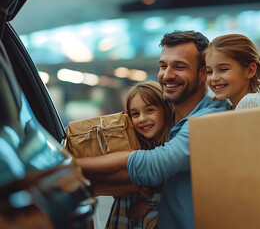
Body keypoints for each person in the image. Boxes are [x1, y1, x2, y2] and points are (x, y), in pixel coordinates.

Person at [74, 30, 231, 228]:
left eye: (179, 66)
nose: (167, 75)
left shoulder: (211, 118)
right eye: (163, 66)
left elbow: (152, 166)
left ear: (203, 73)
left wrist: (69, 165)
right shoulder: (166, 121)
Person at [105, 81, 173, 229]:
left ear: (166, 109)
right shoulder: (137, 148)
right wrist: (132, 210)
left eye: (149, 110)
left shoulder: (171, 150)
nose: (142, 118)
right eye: (135, 114)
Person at [204, 34, 260, 110]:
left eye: (223, 69)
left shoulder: (251, 102)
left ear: (250, 71)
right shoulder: (231, 105)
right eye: (209, 72)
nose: (214, 78)